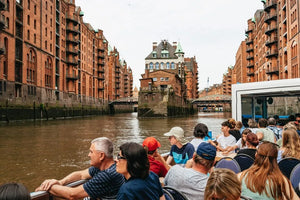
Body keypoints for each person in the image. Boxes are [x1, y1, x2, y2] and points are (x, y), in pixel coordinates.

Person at [35, 137, 125, 199]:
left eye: (91, 152)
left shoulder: (108, 174)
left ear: (101, 155)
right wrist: (61, 182)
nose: (88, 155)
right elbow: (81, 175)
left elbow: (72, 195)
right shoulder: (102, 167)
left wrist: (47, 187)